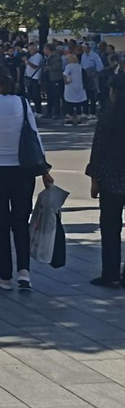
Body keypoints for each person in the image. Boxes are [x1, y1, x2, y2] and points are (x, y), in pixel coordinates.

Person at [0, 65, 54, 291]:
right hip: (23, 169)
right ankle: (24, 272)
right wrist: (44, 170)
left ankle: (4, 276)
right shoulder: (22, 103)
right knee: (21, 222)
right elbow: (35, 137)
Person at [86, 73, 125, 287]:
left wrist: (94, 180)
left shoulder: (107, 118)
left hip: (110, 181)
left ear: (114, 92)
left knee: (110, 229)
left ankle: (110, 274)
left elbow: (98, 152)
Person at [63, 54, 87, 126]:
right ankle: (79, 119)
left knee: (70, 103)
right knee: (78, 103)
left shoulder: (69, 66)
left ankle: (70, 119)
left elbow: (65, 74)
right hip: (79, 86)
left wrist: (66, 82)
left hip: (70, 86)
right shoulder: (80, 66)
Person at [81, 43, 103, 118]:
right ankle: (85, 112)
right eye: (83, 48)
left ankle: (92, 113)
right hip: (85, 76)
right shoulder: (83, 55)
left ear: (89, 48)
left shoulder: (95, 55)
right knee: (85, 94)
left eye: (84, 47)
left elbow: (100, 66)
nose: (83, 49)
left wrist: (94, 72)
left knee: (92, 95)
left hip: (93, 77)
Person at [43, 44, 63, 119]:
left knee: (56, 97)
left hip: (55, 79)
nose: (44, 51)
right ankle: (49, 112)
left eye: (45, 49)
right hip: (48, 79)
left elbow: (58, 66)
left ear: (48, 49)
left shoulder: (56, 57)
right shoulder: (47, 57)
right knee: (49, 96)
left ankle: (56, 113)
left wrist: (48, 68)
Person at [24, 43, 44, 114]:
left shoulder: (38, 56)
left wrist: (27, 61)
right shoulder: (31, 57)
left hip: (35, 78)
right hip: (29, 78)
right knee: (31, 95)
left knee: (36, 95)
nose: (29, 51)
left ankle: (38, 111)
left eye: (31, 50)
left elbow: (35, 66)